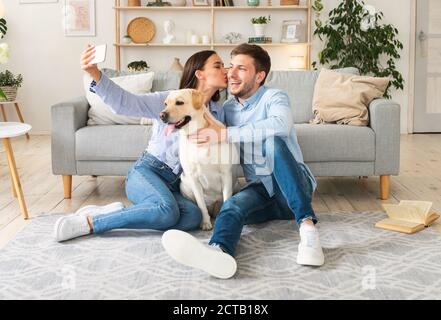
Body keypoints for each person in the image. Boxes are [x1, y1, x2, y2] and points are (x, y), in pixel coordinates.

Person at [161, 44, 325, 280]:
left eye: (241, 69)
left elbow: (281, 125)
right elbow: (205, 120)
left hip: (292, 187)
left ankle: (308, 230)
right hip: (260, 190)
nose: (231, 73)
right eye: (231, 66)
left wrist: (225, 134)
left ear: (259, 76)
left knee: (273, 143)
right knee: (231, 205)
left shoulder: (274, 97)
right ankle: (218, 251)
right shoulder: (227, 108)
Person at [53, 46, 228, 242]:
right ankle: (91, 222)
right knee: (167, 211)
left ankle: (121, 210)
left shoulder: (218, 113)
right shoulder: (168, 99)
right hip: (148, 172)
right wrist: (94, 73)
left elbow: (228, 148)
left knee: (193, 217)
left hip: (178, 184)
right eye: (218, 65)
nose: (225, 70)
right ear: (200, 73)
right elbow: (126, 103)